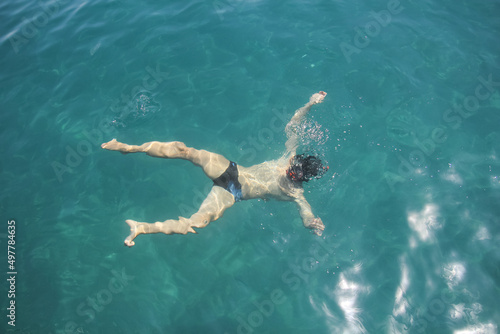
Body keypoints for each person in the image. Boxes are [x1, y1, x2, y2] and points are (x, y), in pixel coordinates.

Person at [101, 91, 329, 247]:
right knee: (184, 150)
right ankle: (129, 148)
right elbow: (294, 123)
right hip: (232, 171)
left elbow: (305, 212)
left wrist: (311, 223)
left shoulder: (296, 193)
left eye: (293, 174)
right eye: (292, 166)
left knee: (197, 222)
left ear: (302, 178)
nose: (289, 170)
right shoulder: (290, 157)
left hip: (231, 193)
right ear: (296, 161)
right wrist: (310, 103)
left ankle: (142, 228)